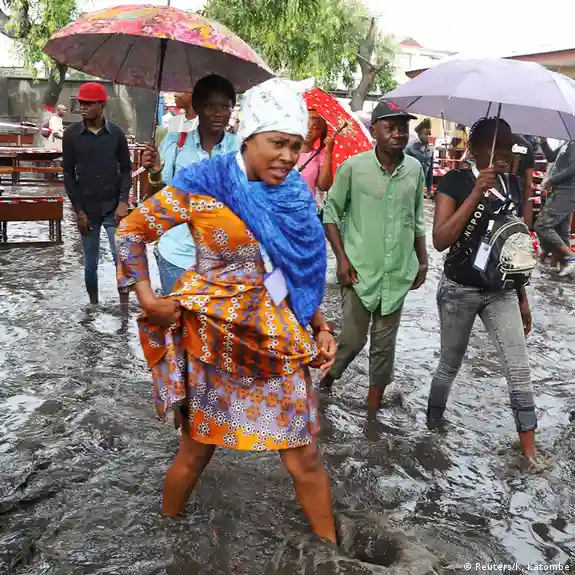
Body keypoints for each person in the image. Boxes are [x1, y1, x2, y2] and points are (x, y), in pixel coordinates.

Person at [116, 78, 338, 542]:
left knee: (306, 457)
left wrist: (317, 323)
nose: (287, 156)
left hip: (275, 338)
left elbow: (286, 272)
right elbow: (131, 232)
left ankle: (332, 555)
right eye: (277, 143)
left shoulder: (294, 196)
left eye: (295, 146)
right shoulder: (205, 184)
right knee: (196, 454)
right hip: (213, 340)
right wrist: (148, 298)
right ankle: (168, 538)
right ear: (249, 136)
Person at [427, 117, 537, 462]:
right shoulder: (455, 181)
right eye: (495, 146)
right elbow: (440, 239)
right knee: (450, 364)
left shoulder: (512, 184)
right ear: (475, 149)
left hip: (501, 291)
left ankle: (530, 454)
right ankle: (432, 427)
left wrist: (522, 298)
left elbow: (515, 248)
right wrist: (476, 192)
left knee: (518, 368)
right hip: (459, 288)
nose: (503, 153)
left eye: (507, 146)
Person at [320, 100, 429, 409]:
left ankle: (372, 413)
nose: (398, 134)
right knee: (353, 340)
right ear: (374, 131)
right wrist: (342, 260)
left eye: (403, 128)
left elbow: (417, 218)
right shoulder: (354, 168)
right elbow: (330, 214)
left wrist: (422, 261)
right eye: (389, 128)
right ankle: (325, 384)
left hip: (397, 272)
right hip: (359, 270)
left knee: (384, 347)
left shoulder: (415, 169)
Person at [142, 75, 240, 295]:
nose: (218, 113)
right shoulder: (176, 143)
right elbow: (157, 199)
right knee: (179, 316)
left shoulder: (240, 149)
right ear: (197, 107)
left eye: (225, 106)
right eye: (210, 106)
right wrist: (155, 172)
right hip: (177, 254)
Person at [62, 82, 132, 306]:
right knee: (90, 263)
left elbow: (127, 169)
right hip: (87, 208)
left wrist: (123, 201)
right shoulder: (71, 135)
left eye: (88, 103)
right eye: (81, 103)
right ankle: (93, 306)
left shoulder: (117, 134)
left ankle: (124, 308)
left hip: (113, 206)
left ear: (102, 106)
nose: (83, 107)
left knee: (120, 258)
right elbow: (68, 174)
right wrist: (79, 212)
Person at [535, 138, 575, 277]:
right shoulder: (568, 143)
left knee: (542, 225)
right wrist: (543, 141)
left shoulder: (573, 144)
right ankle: (568, 269)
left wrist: (552, 180)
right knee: (562, 232)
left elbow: (573, 168)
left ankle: (571, 258)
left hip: (567, 191)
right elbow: (551, 157)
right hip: (563, 191)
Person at [296, 110, 334, 200]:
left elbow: (324, 186)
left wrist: (328, 153)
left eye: (315, 127)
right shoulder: (283, 152)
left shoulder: (321, 156)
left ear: (321, 132)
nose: (309, 130)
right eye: (306, 124)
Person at [510, 134, 535, 229]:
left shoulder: (498, 141)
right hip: (517, 196)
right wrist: (523, 204)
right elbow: (528, 183)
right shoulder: (528, 146)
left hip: (495, 194)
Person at [405, 118, 433, 193]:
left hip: (422, 187)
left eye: (429, 134)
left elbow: (430, 172)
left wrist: (429, 189)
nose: (428, 136)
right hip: (410, 186)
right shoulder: (409, 148)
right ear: (419, 134)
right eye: (426, 134)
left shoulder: (430, 150)